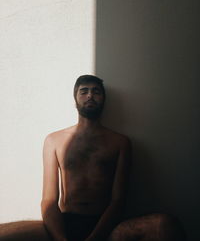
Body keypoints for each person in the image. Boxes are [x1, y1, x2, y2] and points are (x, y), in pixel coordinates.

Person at [41, 75, 186, 241]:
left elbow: (118, 200)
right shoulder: (54, 140)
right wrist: (61, 239)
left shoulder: (120, 142)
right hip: (69, 221)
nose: (90, 95)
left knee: (165, 225)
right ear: (75, 99)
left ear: (103, 99)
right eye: (84, 91)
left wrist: (95, 238)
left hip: (106, 224)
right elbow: (49, 200)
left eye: (96, 91)